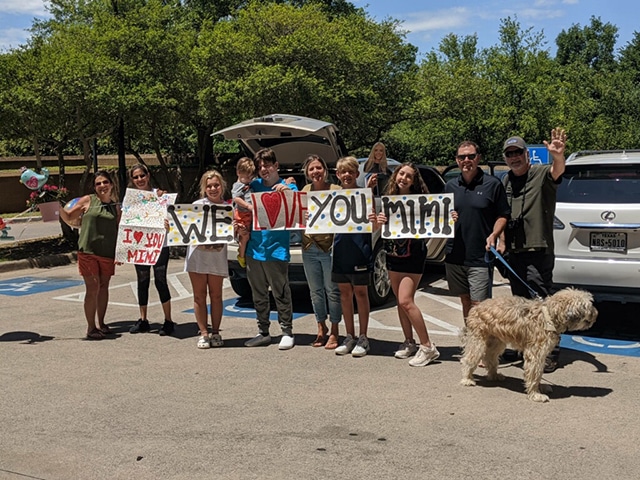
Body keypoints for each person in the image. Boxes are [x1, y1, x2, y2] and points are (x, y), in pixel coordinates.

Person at [500, 128, 567, 372]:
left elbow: (557, 171)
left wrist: (558, 155)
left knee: (542, 304)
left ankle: (550, 352)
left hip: (538, 249)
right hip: (515, 252)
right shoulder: (506, 180)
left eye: (518, 152)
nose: (514, 157)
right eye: (510, 154)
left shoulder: (541, 174)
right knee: (521, 306)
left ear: (527, 154)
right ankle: (524, 347)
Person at [375, 163, 440, 366]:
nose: (403, 178)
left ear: (414, 181)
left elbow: (437, 219)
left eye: (408, 176)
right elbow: (378, 226)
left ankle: (427, 346)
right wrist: (378, 220)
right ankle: (409, 341)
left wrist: (449, 217)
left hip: (414, 253)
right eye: (401, 174)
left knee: (406, 300)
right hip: (393, 253)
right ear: (396, 175)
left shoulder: (421, 202)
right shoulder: (388, 201)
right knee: (399, 301)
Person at [444, 141, 510, 325]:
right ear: (457, 160)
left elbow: (503, 214)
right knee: (465, 300)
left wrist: (495, 235)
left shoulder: (492, 184)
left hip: (480, 255)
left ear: (478, 158)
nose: (467, 160)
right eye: (462, 157)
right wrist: (448, 217)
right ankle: (472, 341)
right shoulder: (449, 187)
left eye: (471, 156)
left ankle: (487, 347)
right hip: (454, 255)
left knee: (480, 305)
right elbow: (439, 217)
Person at [242, 148, 298, 350]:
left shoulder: (287, 186)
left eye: (267, 164)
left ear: (276, 166)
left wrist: (289, 192)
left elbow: (299, 209)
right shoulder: (253, 185)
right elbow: (235, 194)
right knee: (258, 293)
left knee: (280, 291)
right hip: (254, 248)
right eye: (260, 166)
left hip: (276, 249)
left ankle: (287, 331)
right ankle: (263, 331)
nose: (263, 169)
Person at [59, 170, 121, 340]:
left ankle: (102, 323)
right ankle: (91, 327)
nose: (102, 186)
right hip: (88, 252)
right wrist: (56, 207)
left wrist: (120, 253)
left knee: (104, 287)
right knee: (92, 288)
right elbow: (69, 216)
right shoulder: (88, 200)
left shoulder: (116, 207)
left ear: (111, 184)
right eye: (98, 183)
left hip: (107, 253)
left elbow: (120, 231)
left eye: (105, 182)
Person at [331, 156, 378, 357]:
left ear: (357, 174)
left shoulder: (365, 196)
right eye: (344, 172)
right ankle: (349, 335)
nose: (347, 175)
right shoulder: (332, 197)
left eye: (351, 171)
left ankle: (363, 337)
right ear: (338, 175)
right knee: (344, 294)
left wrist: (375, 219)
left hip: (361, 249)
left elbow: (375, 225)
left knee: (360, 293)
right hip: (341, 250)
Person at [127, 164, 175, 336]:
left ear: (148, 175)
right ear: (132, 180)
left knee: (160, 280)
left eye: (142, 175)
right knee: (142, 281)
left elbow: (172, 219)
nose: (140, 180)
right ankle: (143, 319)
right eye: (136, 177)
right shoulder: (131, 199)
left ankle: (168, 320)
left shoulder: (160, 195)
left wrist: (168, 223)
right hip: (140, 245)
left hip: (160, 244)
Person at [300, 154, 342, 349]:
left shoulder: (336, 190)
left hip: (329, 247)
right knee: (315, 291)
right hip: (309, 246)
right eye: (311, 169)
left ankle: (335, 329)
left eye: (318, 168)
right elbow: (295, 217)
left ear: (325, 170)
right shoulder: (304, 191)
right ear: (307, 173)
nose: (315, 172)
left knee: (332, 291)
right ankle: (321, 327)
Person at [186, 170, 230, 349]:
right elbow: (183, 228)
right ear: (204, 188)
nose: (213, 189)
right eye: (209, 186)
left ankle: (216, 332)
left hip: (217, 256)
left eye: (216, 185)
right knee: (199, 296)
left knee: (217, 295)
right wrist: (170, 224)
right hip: (197, 256)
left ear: (222, 186)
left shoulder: (228, 207)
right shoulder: (196, 206)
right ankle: (204, 333)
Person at [231, 157, 255, 268]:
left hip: (248, 214)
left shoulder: (248, 183)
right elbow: (236, 198)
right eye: (247, 176)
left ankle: (244, 254)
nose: (249, 179)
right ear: (238, 173)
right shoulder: (237, 186)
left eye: (251, 176)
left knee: (248, 234)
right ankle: (241, 256)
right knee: (244, 236)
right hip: (241, 214)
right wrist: (248, 206)